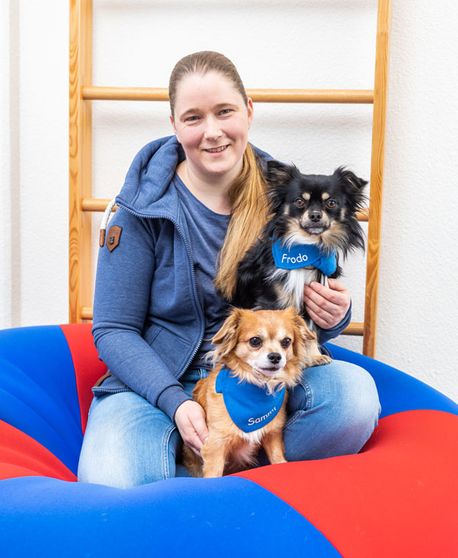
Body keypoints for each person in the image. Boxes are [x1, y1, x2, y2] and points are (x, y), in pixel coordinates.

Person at [77, 51, 380, 488]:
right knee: (113, 478)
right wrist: (174, 402)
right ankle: (222, 477)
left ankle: (216, 477)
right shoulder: (138, 208)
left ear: (249, 111)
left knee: (354, 400)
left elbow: (302, 306)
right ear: (174, 124)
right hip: (162, 378)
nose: (212, 132)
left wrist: (335, 316)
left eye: (224, 112)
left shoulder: (288, 201)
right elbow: (113, 330)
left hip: (265, 372)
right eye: (193, 118)